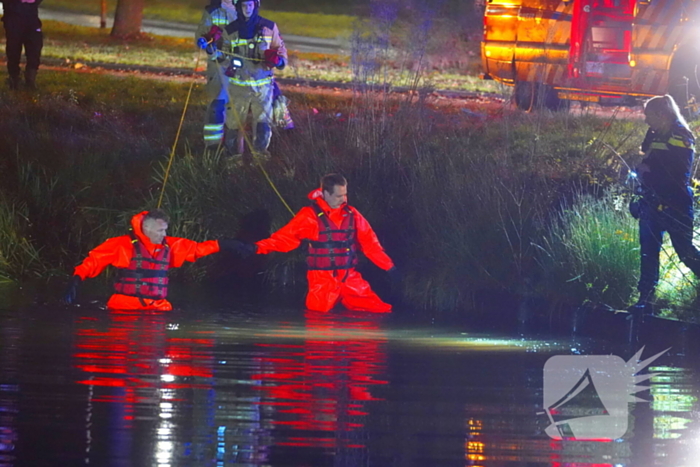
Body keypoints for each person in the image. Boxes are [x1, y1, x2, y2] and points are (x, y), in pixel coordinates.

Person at [236, 174, 399, 313]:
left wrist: (389, 267)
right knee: (318, 322)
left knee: (379, 311)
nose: (343, 199)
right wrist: (256, 247)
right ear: (325, 193)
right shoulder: (309, 216)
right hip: (322, 280)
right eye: (338, 196)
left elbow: (370, 244)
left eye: (345, 195)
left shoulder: (352, 214)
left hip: (349, 277)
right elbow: (283, 239)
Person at [62, 210, 246, 311]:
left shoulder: (170, 246)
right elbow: (94, 260)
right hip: (124, 307)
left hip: (158, 308)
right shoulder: (121, 245)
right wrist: (76, 279)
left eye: (165, 230)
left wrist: (224, 244)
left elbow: (197, 249)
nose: (164, 234)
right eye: (160, 231)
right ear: (147, 229)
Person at [631, 94, 700, 312]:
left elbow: (676, 174)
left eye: (648, 115)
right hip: (651, 202)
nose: (645, 120)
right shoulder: (656, 133)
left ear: (661, 114)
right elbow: (646, 160)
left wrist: (649, 175)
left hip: (675, 203)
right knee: (648, 252)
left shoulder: (681, 135)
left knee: (685, 252)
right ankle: (646, 301)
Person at [220, 0, 287, 158]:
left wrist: (278, 60)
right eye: (243, 5)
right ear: (238, 7)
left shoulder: (269, 27)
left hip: (262, 87)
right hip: (238, 87)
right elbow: (222, 56)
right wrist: (213, 50)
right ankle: (233, 160)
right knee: (233, 123)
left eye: (250, 5)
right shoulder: (230, 30)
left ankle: (260, 158)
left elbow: (281, 50)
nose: (247, 9)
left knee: (263, 122)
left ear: (256, 5)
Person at [195, 0, 237, 149]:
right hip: (219, 65)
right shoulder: (214, 11)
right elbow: (202, 34)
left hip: (243, 67)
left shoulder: (247, 7)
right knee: (217, 106)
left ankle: (234, 149)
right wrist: (205, 40)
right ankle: (213, 148)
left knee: (239, 109)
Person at [1, 0, 43, 90]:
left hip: (31, 17)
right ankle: (14, 78)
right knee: (13, 49)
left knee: (34, 47)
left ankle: (30, 79)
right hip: (13, 17)